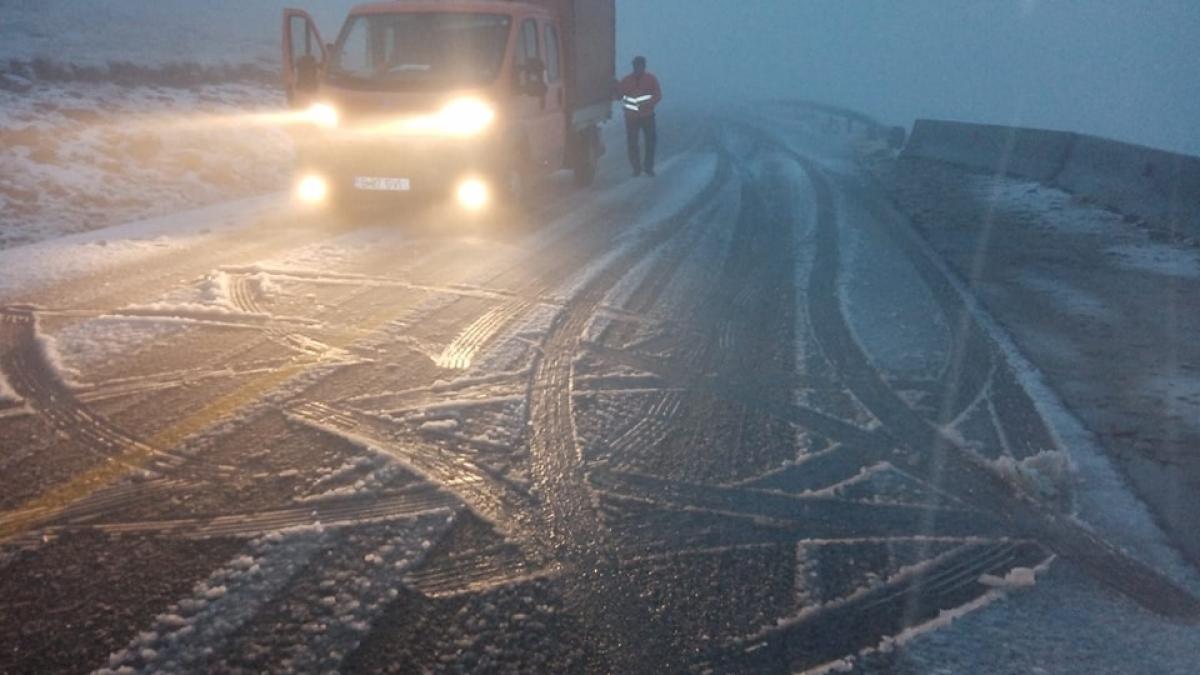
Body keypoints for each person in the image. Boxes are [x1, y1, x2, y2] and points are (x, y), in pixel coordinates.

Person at [617, 56, 662, 177]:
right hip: (631, 117)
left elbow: (658, 95)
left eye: (640, 66)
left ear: (644, 66)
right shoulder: (626, 80)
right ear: (633, 66)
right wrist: (615, 88)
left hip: (647, 116)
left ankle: (648, 167)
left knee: (650, 142)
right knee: (632, 143)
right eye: (636, 66)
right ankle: (636, 169)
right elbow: (619, 95)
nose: (638, 68)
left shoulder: (651, 79)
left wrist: (649, 104)